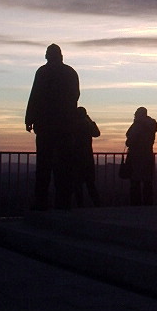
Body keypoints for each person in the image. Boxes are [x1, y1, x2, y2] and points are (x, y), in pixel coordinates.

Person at [25, 44, 80, 210]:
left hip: (46, 125)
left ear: (48, 56)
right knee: (64, 166)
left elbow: (34, 95)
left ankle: (41, 201)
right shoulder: (70, 72)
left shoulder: (42, 72)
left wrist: (30, 118)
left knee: (44, 165)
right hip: (64, 125)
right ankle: (63, 202)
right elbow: (75, 96)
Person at [125, 107, 157, 205]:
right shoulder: (152, 123)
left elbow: (130, 137)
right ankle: (148, 203)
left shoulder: (137, 124)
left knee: (135, 181)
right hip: (148, 154)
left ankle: (135, 204)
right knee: (147, 181)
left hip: (136, 155)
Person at [72, 107, 101, 207]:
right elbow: (97, 133)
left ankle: (80, 206)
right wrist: (90, 121)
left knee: (78, 184)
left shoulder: (74, 125)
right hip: (87, 156)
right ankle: (97, 205)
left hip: (76, 156)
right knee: (90, 184)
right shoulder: (87, 124)